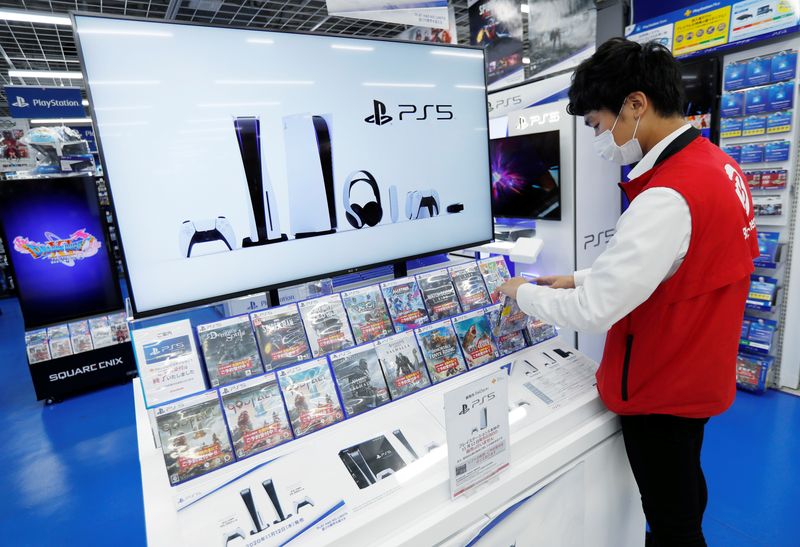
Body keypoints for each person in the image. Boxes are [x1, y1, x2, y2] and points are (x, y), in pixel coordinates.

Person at [499, 38, 759, 547]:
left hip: (662, 385)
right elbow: (677, 269)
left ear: (636, 105)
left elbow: (596, 311)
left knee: (672, 522)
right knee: (684, 492)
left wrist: (521, 293)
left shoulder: (666, 195)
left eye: (599, 123)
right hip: (698, 369)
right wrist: (577, 276)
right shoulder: (717, 167)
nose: (601, 138)